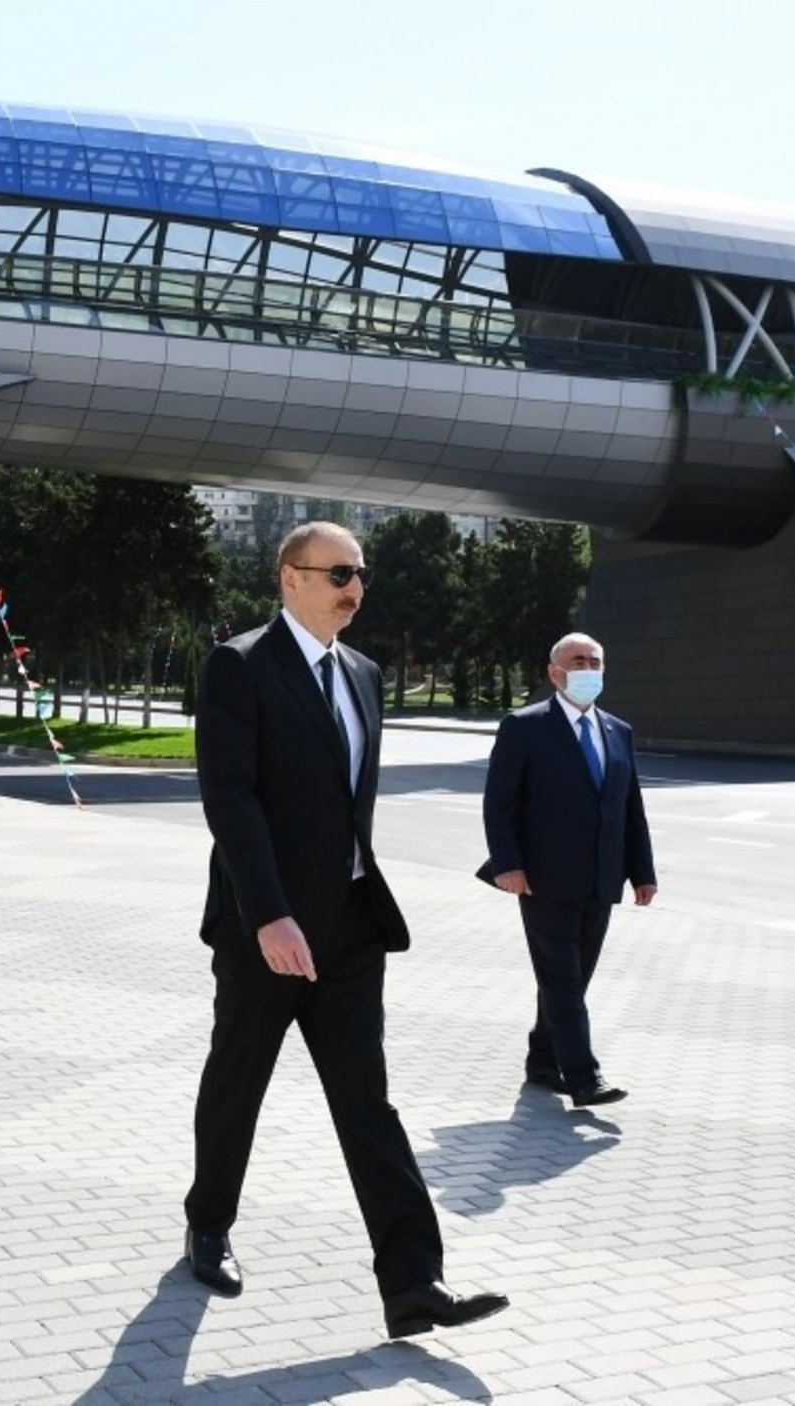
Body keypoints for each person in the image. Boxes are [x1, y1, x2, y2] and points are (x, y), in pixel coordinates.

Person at [185, 521, 509, 1339]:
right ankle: (209, 1223)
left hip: (353, 927)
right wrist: (269, 913)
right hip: (267, 932)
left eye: (361, 574)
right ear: (291, 577)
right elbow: (231, 799)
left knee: (368, 1103)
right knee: (237, 1084)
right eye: (338, 574)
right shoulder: (239, 666)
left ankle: (414, 1283)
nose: (354, 589)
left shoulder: (363, 674)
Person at [479, 631, 657, 1107]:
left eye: (595, 661)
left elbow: (630, 807)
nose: (588, 669)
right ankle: (583, 1077)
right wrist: (507, 864)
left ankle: (542, 1061)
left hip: (601, 877)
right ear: (554, 672)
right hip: (542, 879)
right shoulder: (524, 726)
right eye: (578, 661)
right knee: (563, 980)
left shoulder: (618, 730)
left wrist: (643, 872)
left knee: (571, 978)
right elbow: (499, 803)